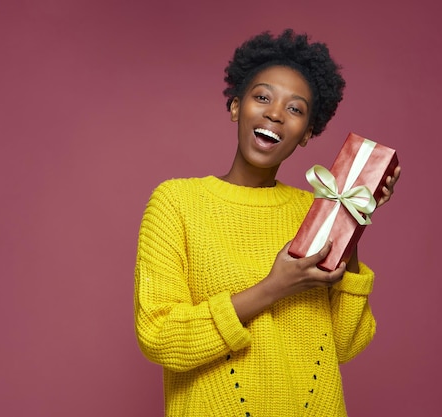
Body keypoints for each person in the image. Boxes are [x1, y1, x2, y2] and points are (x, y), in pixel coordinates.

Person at [134, 29, 401, 417]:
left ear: (307, 133)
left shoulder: (314, 211)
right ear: (235, 107)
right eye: (262, 97)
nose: (275, 113)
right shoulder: (177, 203)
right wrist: (274, 288)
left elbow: (345, 344)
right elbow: (158, 336)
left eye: (295, 109)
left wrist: (352, 217)